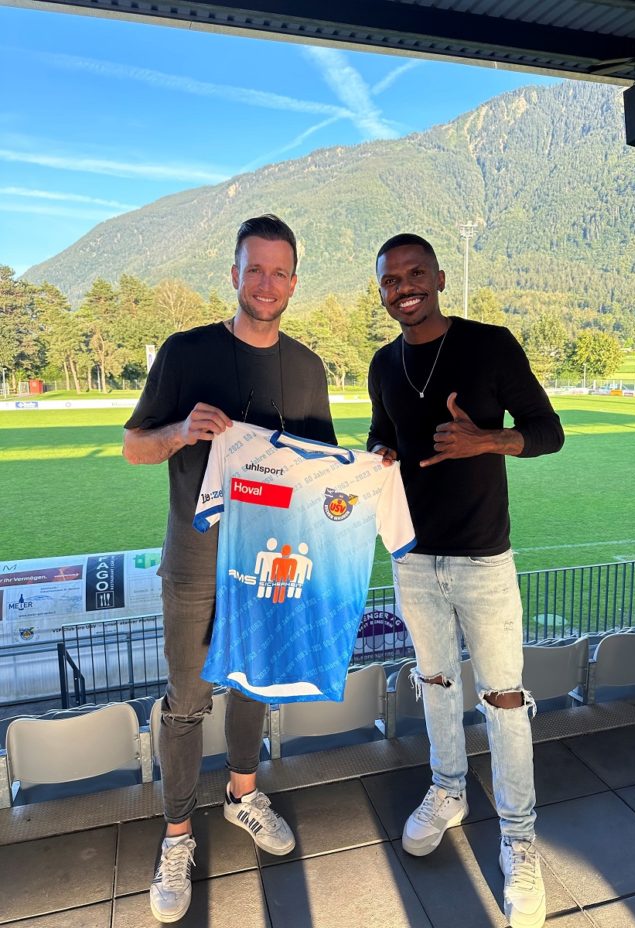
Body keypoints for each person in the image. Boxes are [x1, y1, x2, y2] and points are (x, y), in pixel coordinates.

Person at [123, 214, 336, 924]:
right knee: (186, 702)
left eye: (279, 272)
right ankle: (176, 836)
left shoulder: (307, 369)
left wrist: (367, 474)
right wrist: (182, 430)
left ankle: (243, 794)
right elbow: (134, 447)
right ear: (234, 275)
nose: (266, 284)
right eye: (255, 270)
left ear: (294, 282)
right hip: (194, 561)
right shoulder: (186, 352)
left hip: (267, 562)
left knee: (252, 684)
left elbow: (320, 473)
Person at [367, 233, 564, 928]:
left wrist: (487, 439)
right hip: (412, 559)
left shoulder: (491, 345)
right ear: (382, 292)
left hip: (483, 557)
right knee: (436, 683)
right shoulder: (384, 363)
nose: (405, 287)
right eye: (391, 280)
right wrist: (378, 452)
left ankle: (519, 837)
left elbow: (548, 431)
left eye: (416, 273)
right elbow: (380, 434)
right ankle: (448, 790)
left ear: (441, 278)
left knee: (504, 699)